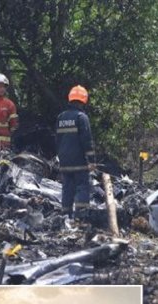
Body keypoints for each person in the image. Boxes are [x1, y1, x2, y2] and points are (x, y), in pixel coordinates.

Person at [56, 85, 95, 222]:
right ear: (84, 100)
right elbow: (87, 141)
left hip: (64, 161)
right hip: (79, 161)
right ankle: (81, 216)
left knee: (67, 188)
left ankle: (65, 215)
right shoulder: (81, 117)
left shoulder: (61, 117)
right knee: (82, 186)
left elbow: (58, 140)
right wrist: (91, 160)